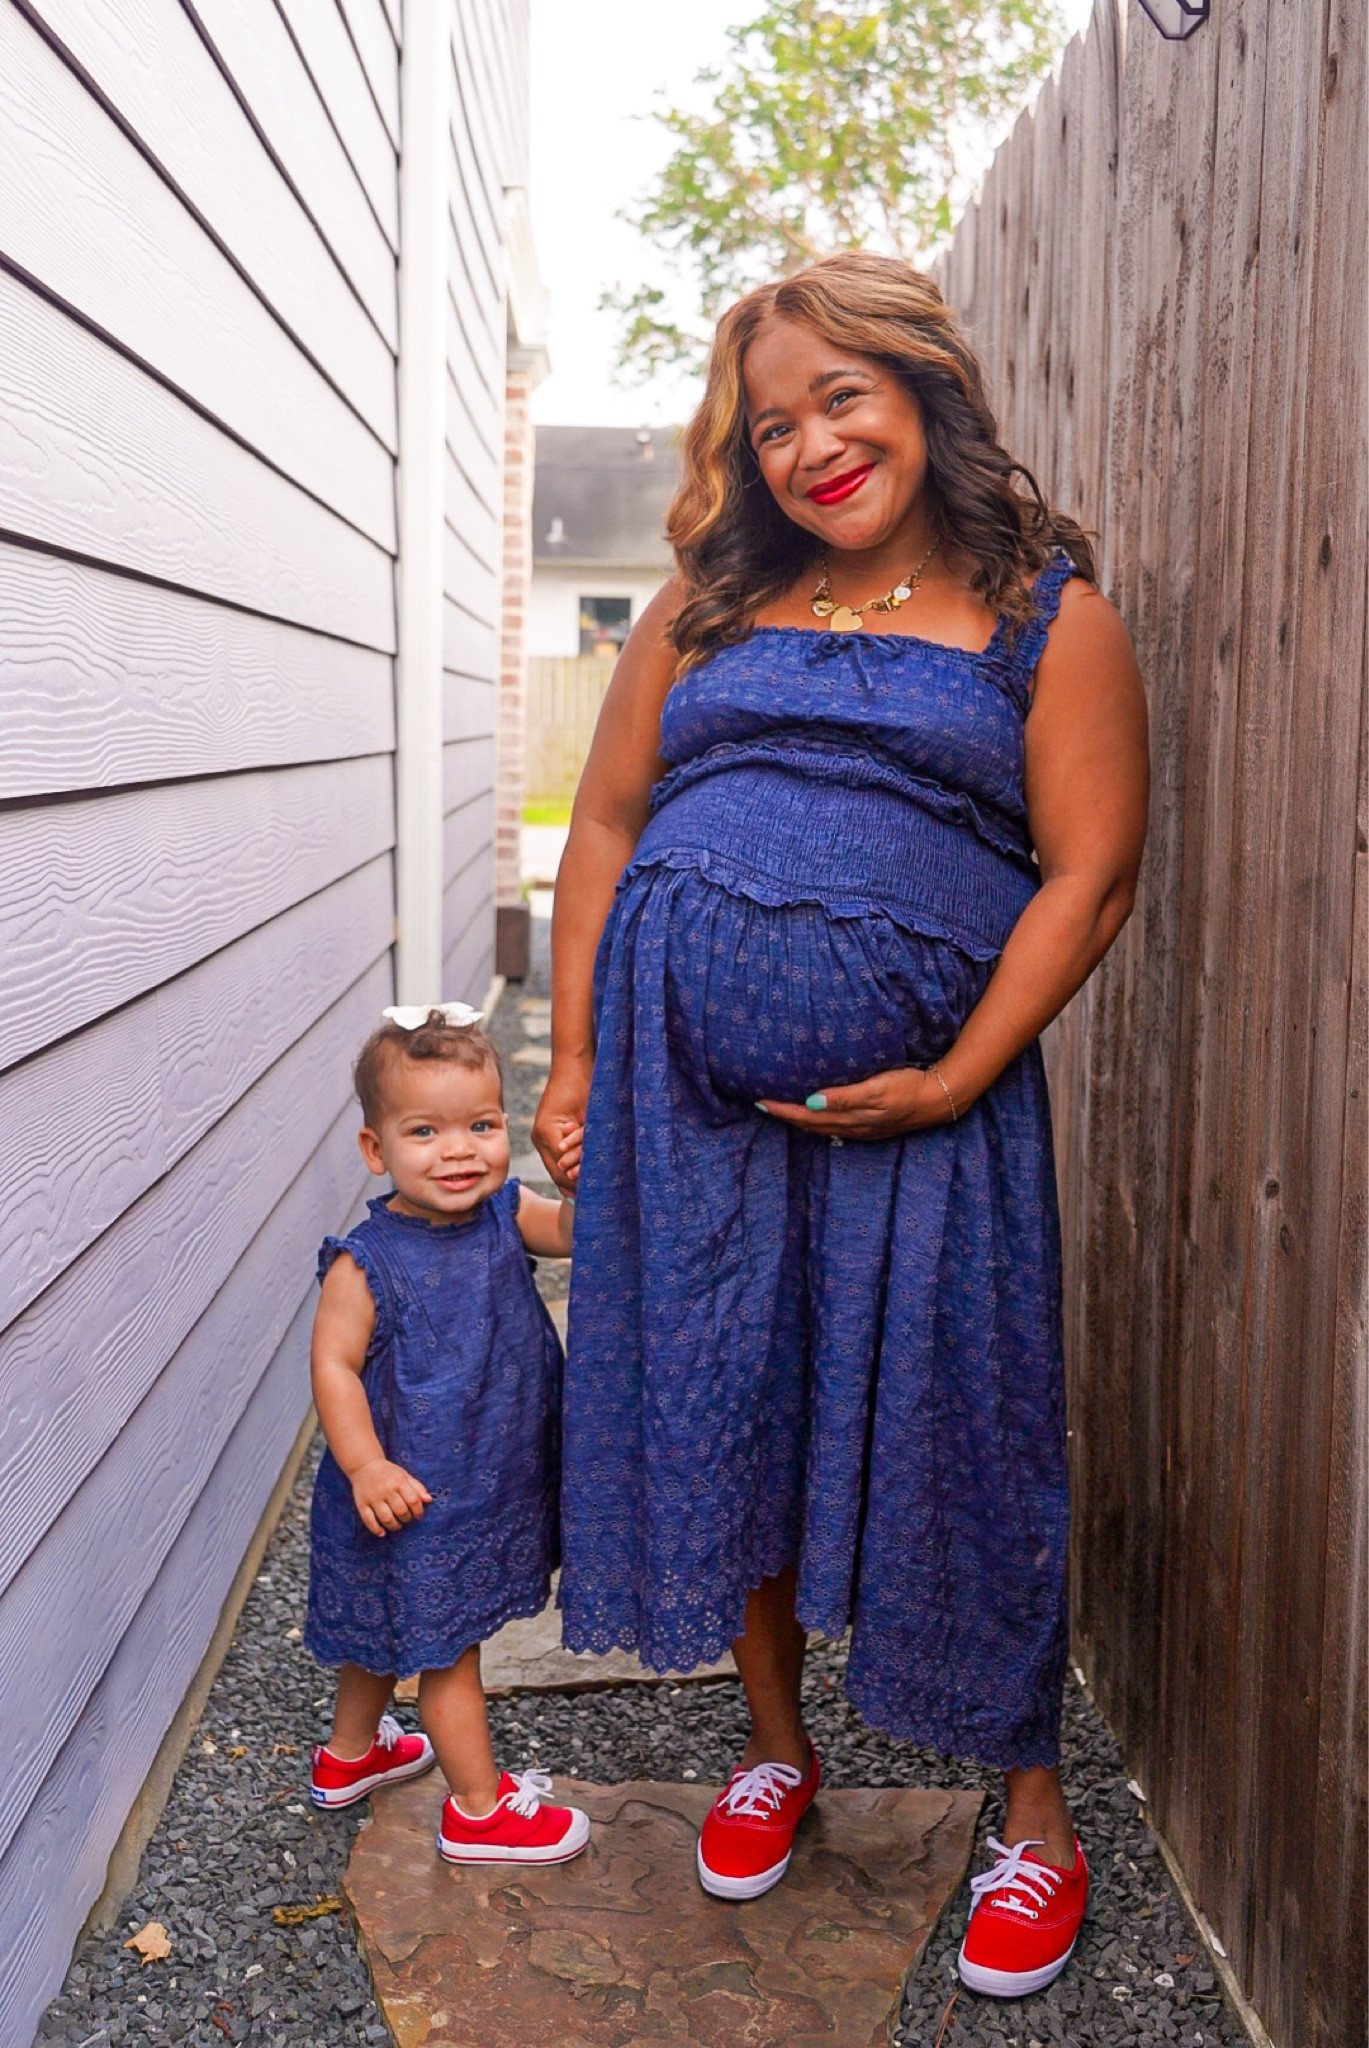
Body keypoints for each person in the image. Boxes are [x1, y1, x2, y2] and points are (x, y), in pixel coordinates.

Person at [533, 253, 1149, 1996]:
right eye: (769, 422)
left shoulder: (1037, 611)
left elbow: (1089, 875)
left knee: (960, 1430)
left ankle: (1030, 1817)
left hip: (925, 1120)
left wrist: (954, 1073)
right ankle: (774, 1744)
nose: (806, 445)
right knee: (721, 1400)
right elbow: (600, 832)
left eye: (838, 398)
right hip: (681, 1107)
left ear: (921, 391)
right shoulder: (702, 607)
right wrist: (573, 1066)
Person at [304, 1003, 590, 1868]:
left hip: (482, 1474)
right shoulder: (367, 1260)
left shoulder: (504, 1211)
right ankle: (477, 1809)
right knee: (445, 1649)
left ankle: (350, 1758)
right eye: (424, 1131)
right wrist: (365, 1465)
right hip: (410, 1491)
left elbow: (575, 1237)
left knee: (384, 1629)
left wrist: (581, 1187)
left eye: (480, 1125)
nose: (459, 1150)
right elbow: (333, 1368)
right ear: (375, 1149)